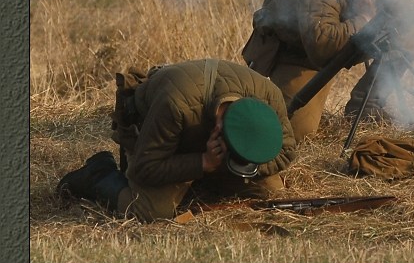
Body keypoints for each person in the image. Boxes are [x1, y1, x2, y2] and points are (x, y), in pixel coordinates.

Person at [57, 59, 297, 223]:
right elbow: (145, 168)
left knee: (269, 192)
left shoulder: (270, 95)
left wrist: (226, 165)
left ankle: (201, 184)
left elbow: (286, 151)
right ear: (218, 127)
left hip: (199, 133)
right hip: (154, 132)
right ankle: (98, 173)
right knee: (150, 212)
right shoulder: (176, 105)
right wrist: (202, 163)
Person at [241, 0, 404, 142]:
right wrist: (365, 17)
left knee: (413, 35)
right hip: (298, 56)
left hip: (335, 45)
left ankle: (366, 106)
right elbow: (322, 47)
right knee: (293, 134)